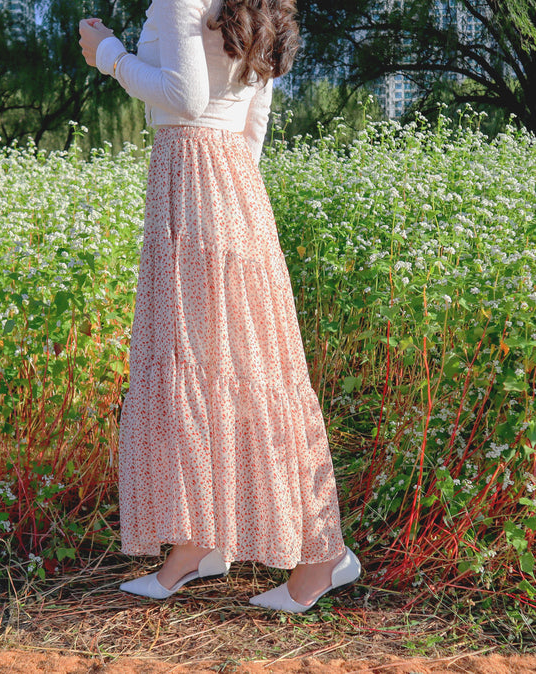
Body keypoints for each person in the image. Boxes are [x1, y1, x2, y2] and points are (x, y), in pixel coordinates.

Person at [77, 0, 359, 613]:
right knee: (222, 365)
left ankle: (322, 557)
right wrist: (235, 205)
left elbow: (185, 95)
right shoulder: (259, 5)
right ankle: (198, 542)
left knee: (208, 362)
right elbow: (253, 118)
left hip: (193, 177)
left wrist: (107, 54)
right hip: (233, 185)